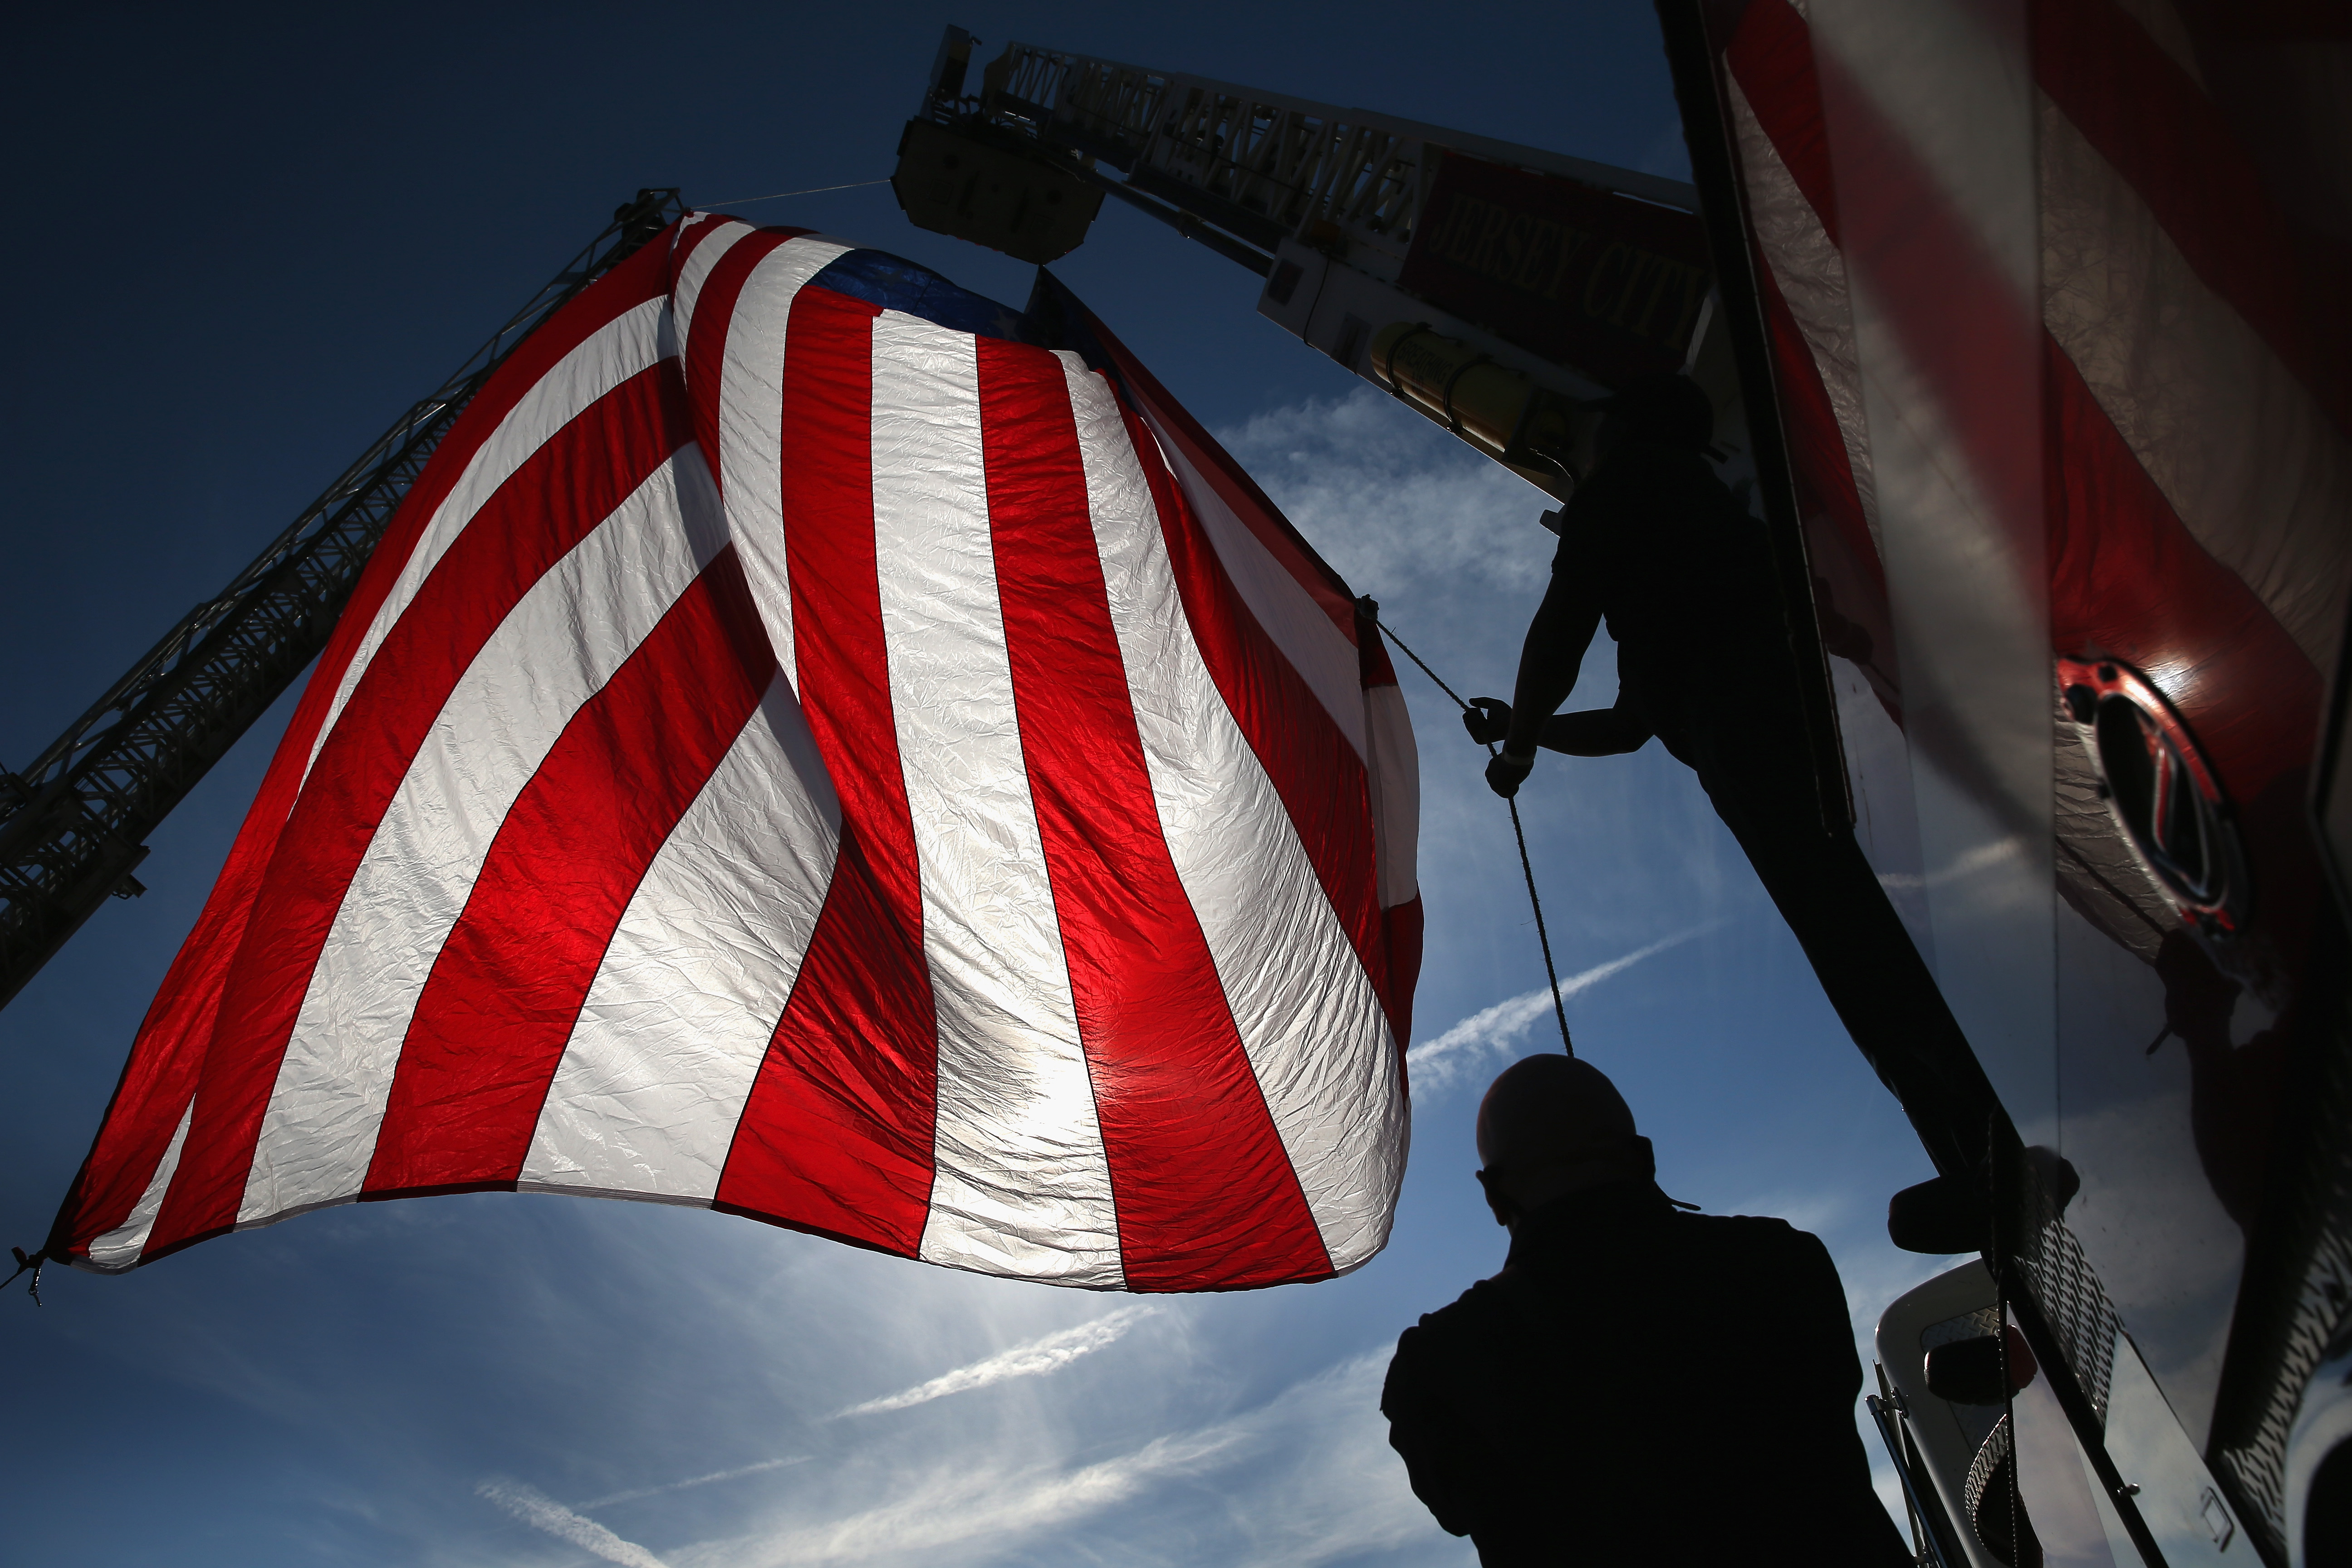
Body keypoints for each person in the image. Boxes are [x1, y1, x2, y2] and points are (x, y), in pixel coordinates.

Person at [1465, 374, 1996, 1181]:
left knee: (1854, 948)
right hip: (1792, 732)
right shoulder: (1704, 519)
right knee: (1870, 935)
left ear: (1626, 430)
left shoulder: (1628, 489)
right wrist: (1520, 726)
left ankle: (1979, 1154)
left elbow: (1557, 639)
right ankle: (1976, 1139)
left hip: (1747, 741)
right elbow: (1624, 726)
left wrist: (1520, 751)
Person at [1380, 1054, 1912, 1566]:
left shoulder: (1439, 1367)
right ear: (1643, 1157)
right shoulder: (1785, 1264)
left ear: (1494, 1195)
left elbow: (1455, 1505)